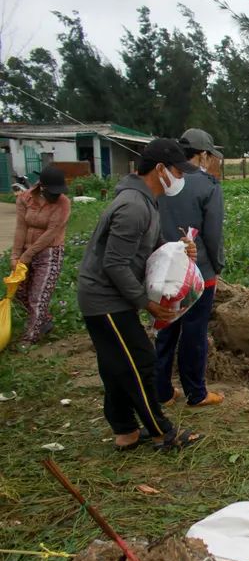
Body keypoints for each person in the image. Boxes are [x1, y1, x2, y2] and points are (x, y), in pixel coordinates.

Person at [77, 138, 206, 452]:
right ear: (160, 168)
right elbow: (115, 263)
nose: (182, 178)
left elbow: (150, 249)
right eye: (178, 170)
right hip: (105, 299)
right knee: (141, 361)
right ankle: (162, 432)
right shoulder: (134, 206)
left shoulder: (146, 200)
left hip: (110, 298)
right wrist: (146, 303)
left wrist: (180, 250)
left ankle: (126, 431)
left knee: (115, 365)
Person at [154, 128, 226, 407]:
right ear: (204, 155)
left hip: (161, 270)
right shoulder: (208, 185)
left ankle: (162, 392)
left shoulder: (161, 180)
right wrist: (216, 267)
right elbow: (213, 233)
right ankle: (196, 392)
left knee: (165, 330)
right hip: (198, 271)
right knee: (194, 333)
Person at [10, 166, 71, 346]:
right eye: (53, 192)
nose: (56, 195)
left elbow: (52, 232)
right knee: (19, 292)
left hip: (50, 251)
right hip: (25, 250)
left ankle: (30, 339)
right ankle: (44, 322)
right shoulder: (25, 198)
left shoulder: (63, 203)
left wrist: (27, 255)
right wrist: (15, 256)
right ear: (42, 186)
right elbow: (21, 227)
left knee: (39, 296)